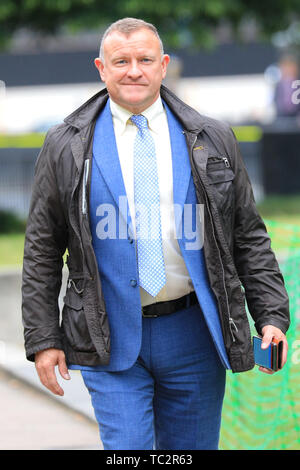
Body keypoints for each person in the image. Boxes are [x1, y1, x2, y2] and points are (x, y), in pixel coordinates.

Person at [22, 17, 290, 450]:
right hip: (109, 335)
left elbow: (248, 236)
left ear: (163, 65)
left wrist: (271, 316)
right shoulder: (66, 144)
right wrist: (44, 338)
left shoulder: (212, 137)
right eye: (121, 61)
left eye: (145, 59)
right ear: (101, 68)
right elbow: (41, 249)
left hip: (194, 333)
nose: (134, 70)